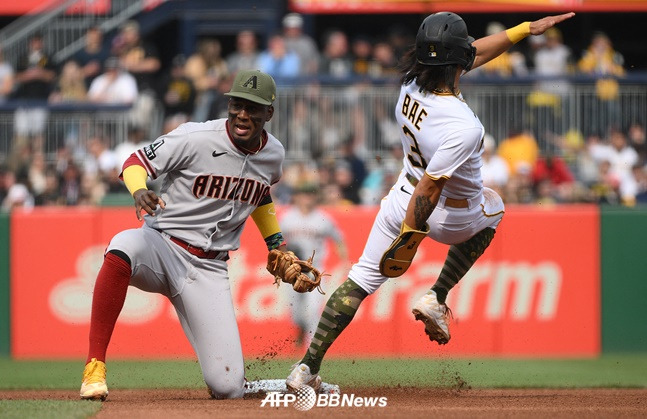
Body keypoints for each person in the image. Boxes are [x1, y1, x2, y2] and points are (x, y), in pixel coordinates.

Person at [285, 10, 575, 391]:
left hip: (400, 192)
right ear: (457, 61)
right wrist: (411, 235)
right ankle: (437, 294)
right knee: (496, 206)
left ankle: (306, 369)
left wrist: (524, 29)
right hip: (446, 214)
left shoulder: (410, 84)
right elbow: (431, 190)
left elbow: (472, 54)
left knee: (358, 280)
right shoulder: (464, 126)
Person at [79, 70, 291, 400]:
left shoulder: (274, 154)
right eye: (237, 104)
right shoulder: (196, 137)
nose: (242, 114)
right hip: (162, 244)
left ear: (269, 113)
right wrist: (138, 191)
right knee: (121, 248)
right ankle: (95, 366)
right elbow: (135, 161)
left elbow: (261, 194)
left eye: (253, 108)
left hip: (209, 269)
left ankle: (281, 385)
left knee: (227, 387)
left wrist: (275, 242)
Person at [279, 183, 347, 347]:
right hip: (292, 271)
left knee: (312, 310)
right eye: (303, 194)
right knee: (295, 314)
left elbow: (338, 239)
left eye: (310, 195)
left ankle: (310, 351)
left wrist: (345, 261)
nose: (307, 198)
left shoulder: (323, 218)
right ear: (296, 197)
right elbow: (279, 244)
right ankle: (301, 328)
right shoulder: (287, 217)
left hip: (315, 270)